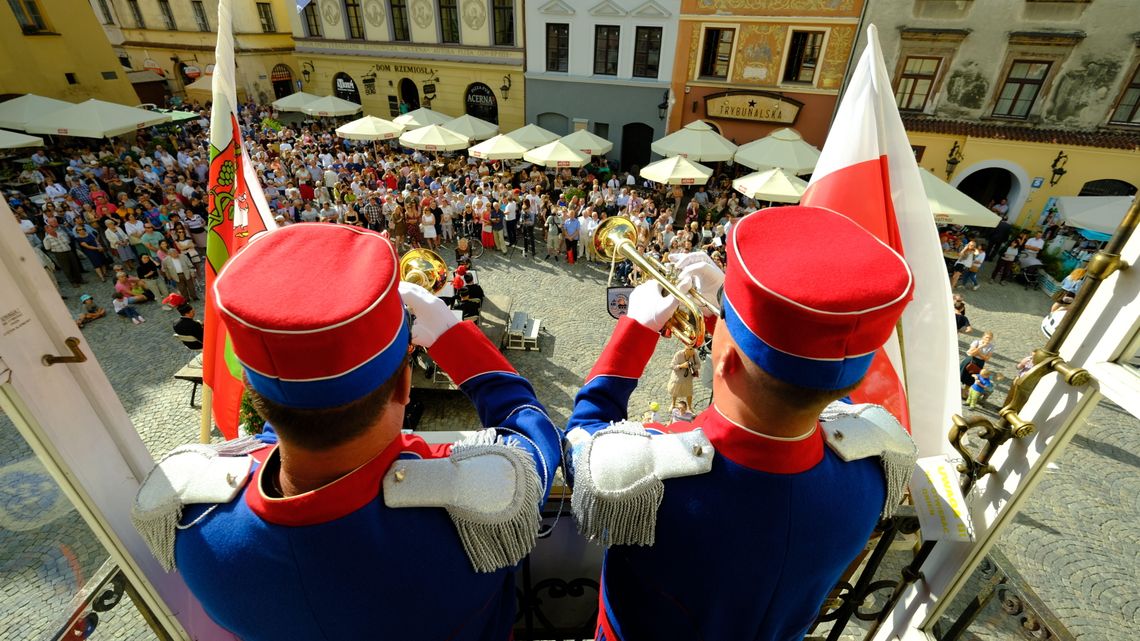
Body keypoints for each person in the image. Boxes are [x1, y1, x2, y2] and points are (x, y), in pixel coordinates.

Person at [132, 223, 561, 641]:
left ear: (256, 396)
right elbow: (530, 431)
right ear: (405, 386)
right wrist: (453, 339)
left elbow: (270, 440)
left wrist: (293, 365)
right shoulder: (474, 515)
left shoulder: (190, 522)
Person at [563, 206, 917, 641]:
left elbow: (584, 433)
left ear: (725, 356)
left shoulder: (649, 473)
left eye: (725, 320)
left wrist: (635, 328)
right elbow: (821, 377)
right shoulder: (875, 465)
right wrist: (732, 312)